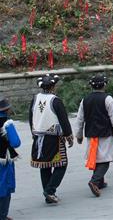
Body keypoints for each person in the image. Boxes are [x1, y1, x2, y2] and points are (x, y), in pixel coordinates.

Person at [74, 74, 113, 197]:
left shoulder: (85, 100)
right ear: (105, 85)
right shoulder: (107, 99)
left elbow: (80, 119)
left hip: (91, 133)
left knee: (97, 157)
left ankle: (100, 182)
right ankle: (94, 181)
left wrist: (79, 134)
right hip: (105, 133)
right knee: (105, 159)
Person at [29, 74, 73, 204]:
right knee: (61, 164)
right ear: (53, 86)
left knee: (45, 165)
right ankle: (50, 190)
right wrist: (68, 135)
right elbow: (63, 119)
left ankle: (48, 193)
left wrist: (33, 132)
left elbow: (31, 117)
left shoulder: (35, 98)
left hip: (38, 136)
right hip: (53, 138)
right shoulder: (55, 100)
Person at [0, 95, 20, 220]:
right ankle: (2, 215)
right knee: (4, 187)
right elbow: (15, 142)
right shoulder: (7, 123)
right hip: (3, 159)